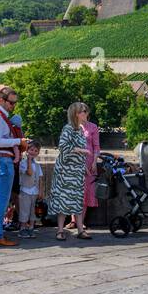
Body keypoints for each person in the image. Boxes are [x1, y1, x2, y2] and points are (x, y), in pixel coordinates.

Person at [0, 86, 28, 246]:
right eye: (11, 102)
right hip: (2, 160)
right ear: (1, 100)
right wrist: (19, 141)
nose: (13, 106)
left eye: (15, 103)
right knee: (1, 200)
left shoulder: (1, 116)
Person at [50, 101, 92, 241]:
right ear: (76, 114)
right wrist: (82, 150)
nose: (86, 113)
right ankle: (60, 231)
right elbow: (63, 147)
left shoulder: (80, 129)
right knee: (64, 199)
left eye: (86, 111)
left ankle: (80, 230)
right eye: (83, 111)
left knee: (77, 200)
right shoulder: (68, 128)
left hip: (77, 171)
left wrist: (84, 166)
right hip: (65, 171)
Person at [16, 140, 43, 239]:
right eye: (31, 150)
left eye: (36, 151)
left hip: (34, 191)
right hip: (25, 190)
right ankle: (23, 228)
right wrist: (28, 160)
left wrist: (40, 191)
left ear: (38, 153)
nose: (33, 152)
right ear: (27, 150)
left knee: (33, 211)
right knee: (24, 210)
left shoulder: (37, 165)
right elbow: (29, 173)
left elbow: (40, 178)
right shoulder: (23, 163)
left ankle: (31, 227)